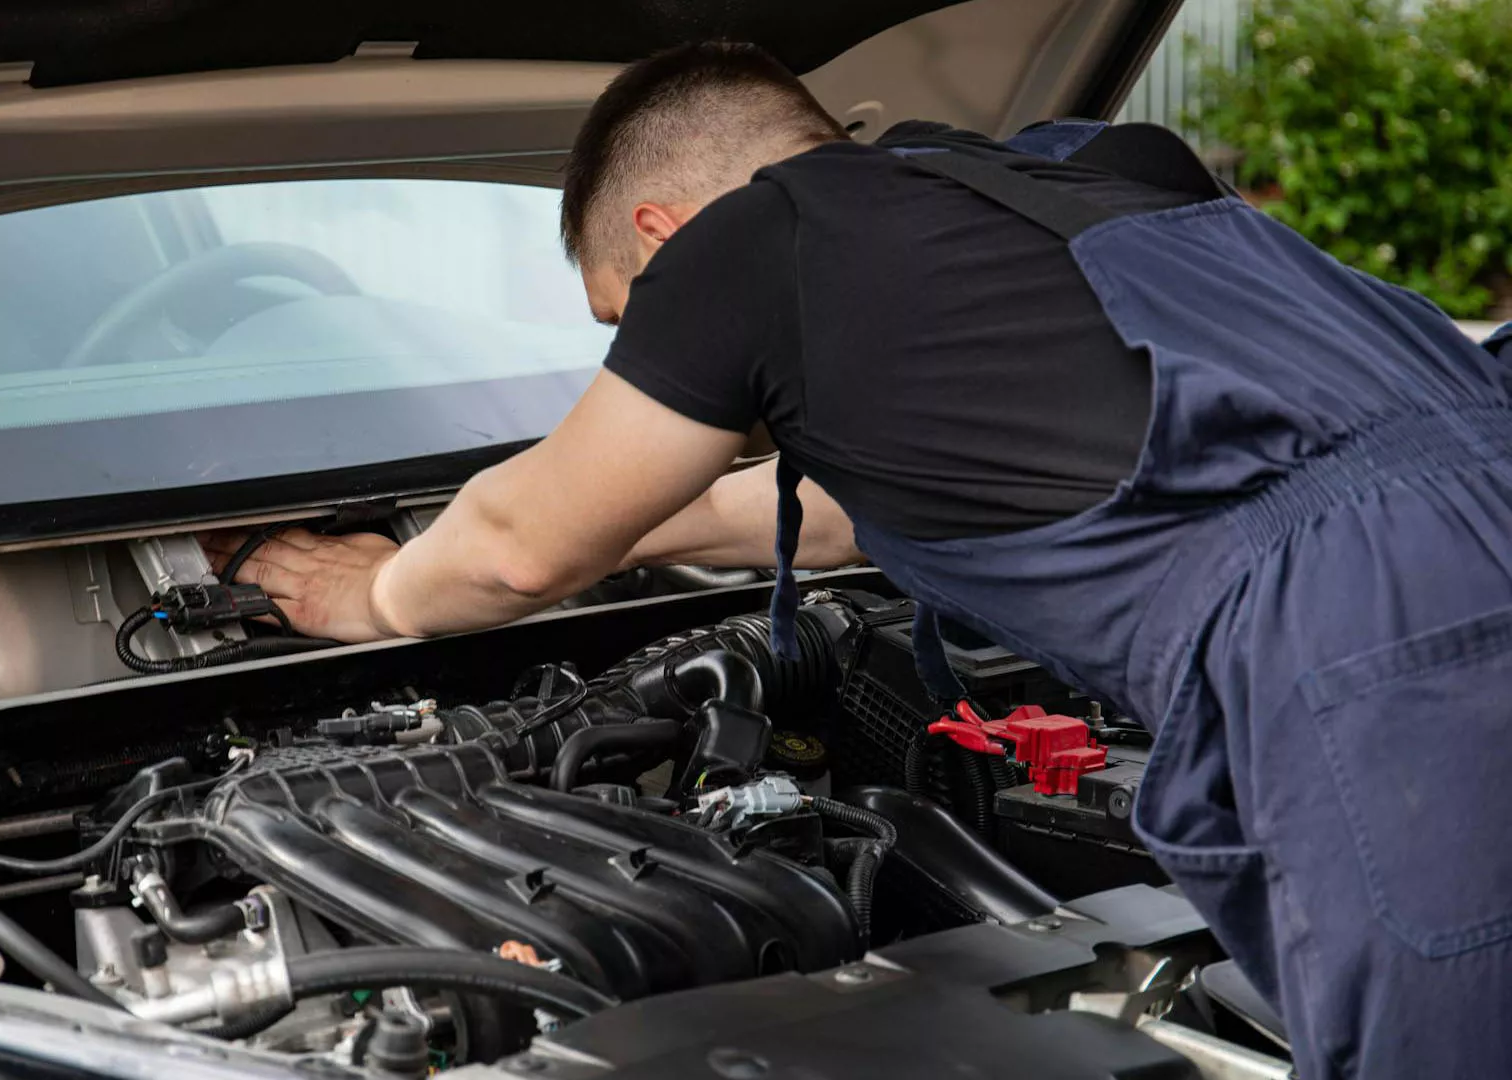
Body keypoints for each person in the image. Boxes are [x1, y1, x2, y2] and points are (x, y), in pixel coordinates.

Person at [219, 42, 1512, 1077]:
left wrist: (371, 594)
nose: (646, 342)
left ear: (665, 235)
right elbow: (831, 507)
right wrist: (619, 532)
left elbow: (507, 551)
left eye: (629, 314)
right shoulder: (1071, 184)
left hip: (1373, 630)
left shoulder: (754, 238)